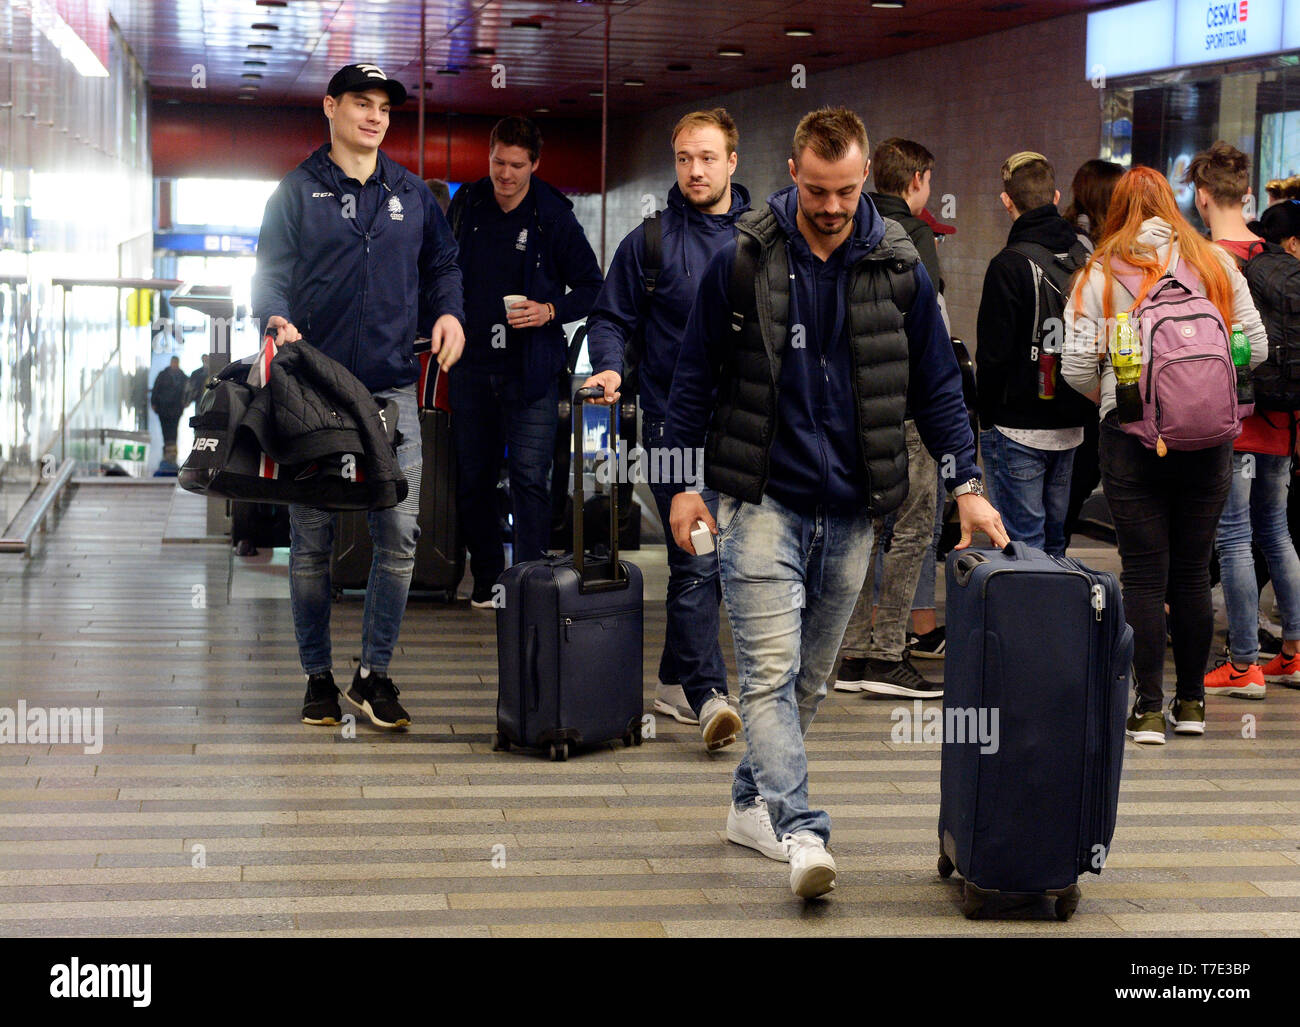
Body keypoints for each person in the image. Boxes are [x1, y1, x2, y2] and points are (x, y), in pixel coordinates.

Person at [665, 106, 1007, 898]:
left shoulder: (895, 261)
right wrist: (683, 483)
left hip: (854, 508)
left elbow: (939, 387)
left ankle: (750, 804)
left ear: (862, 180)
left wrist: (968, 486)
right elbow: (691, 378)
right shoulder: (744, 256)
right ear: (794, 172)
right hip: (761, 501)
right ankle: (803, 832)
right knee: (768, 674)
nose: (830, 205)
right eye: (818, 189)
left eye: (846, 190)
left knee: (811, 679)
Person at [252, 62, 466, 729]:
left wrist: (450, 311)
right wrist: (274, 317)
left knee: (398, 533)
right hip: (314, 389)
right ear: (330, 107)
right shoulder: (295, 193)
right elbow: (269, 278)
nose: (374, 116)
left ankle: (373, 673)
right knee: (312, 539)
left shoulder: (411, 192)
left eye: (384, 108)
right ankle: (317, 674)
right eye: (361, 104)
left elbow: (443, 264)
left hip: (391, 387)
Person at [1062, 166, 1267, 746]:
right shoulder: (1216, 263)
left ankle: (1149, 709)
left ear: (1115, 210)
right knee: (1193, 574)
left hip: (1131, 444)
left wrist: (1118, 400)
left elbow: (1076, 365)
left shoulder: (1098, 273)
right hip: (1208, 443)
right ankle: (1194, 703)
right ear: (1174, 204)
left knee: (1146, 577)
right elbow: (1258, 345)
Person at [581, 108, 749, 750]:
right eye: (684, 159)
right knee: (697, 554)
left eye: (707, 158)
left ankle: (674, 683)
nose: (695, 170)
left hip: (745, 426)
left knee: (725, 560)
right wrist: (610, 369)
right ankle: (709, 695)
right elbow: (611, 319)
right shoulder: (648, 243)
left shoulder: (763, 239)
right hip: (672, 425)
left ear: (733, 161)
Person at [446, 116, 603, 608]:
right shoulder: (467, 204)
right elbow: (439, 269)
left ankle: (531, 584)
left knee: (533, 480)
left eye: (517, 165)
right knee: (473, 479)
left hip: (531, 371)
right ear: (488, 155)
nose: (506, 174)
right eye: (498, 162)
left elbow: (593, 288)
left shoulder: (553, 216)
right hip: (471, 367)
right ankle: (491, 579)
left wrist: (550, 311)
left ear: (535, 164)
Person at [835, 137, 947, 698]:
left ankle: (851, 651)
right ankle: (884, 654)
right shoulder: (915, 237)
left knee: (863, 527)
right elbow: (929, 335)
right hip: (904, 409)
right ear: (918, 179)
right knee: (912, 529)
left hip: (857, 408)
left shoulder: (848, 229)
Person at [1188, 146, 1300, 699]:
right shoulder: (1276, 256)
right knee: (1276, 533)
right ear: (1247, 194)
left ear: (1202, 196)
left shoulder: (1203, 260)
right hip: (1280, 419)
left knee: (1233, 538)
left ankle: (1244, 665)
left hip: (1231, 422)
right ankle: (1293, 655)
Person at [976, 152, 1096, 558]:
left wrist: (985, 416)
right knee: (1056, 541)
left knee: (1023, 544)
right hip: (1072, 425)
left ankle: (1027, 622)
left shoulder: (1007, 265)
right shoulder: (1086, 259)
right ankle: (1058, 620)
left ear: (1007, 202)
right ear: (1056, 196)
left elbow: (992, 358)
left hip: (1017, 428)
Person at [1062, 159, 1125, 549]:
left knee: (1070, 492)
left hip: (1086, 390)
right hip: (1090, 389)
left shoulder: (1078, 237)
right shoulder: (1089, 250)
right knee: (1073, 489)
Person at [151, 356, 188, 464]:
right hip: (163, 407)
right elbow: (156, 389)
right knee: (165, 428)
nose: (174, 365)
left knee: (174, 428)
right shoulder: (163, 375)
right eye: (173, 363)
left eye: (176, 363)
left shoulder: (182, 376)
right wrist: (154, 403)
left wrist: (185, 402)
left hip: (176, 408)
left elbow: (187, 391)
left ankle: (172, 449)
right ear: (171, 363)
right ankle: (167, 447)